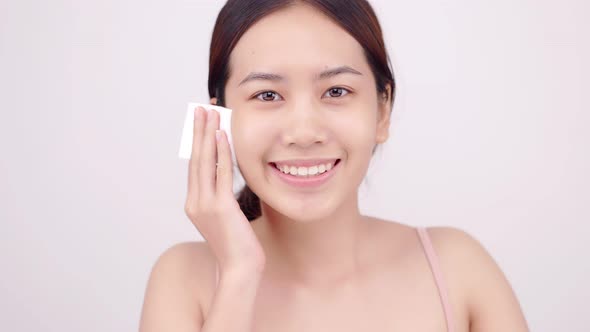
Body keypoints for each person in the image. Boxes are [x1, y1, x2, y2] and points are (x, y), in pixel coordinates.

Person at [139, 1, 529, 331]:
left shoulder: (458, 266)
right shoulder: (183, 278)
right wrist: (239, 272)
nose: (304, 132)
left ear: (382, 111)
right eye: (268, 94)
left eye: (337, 91)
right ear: (217, 118)